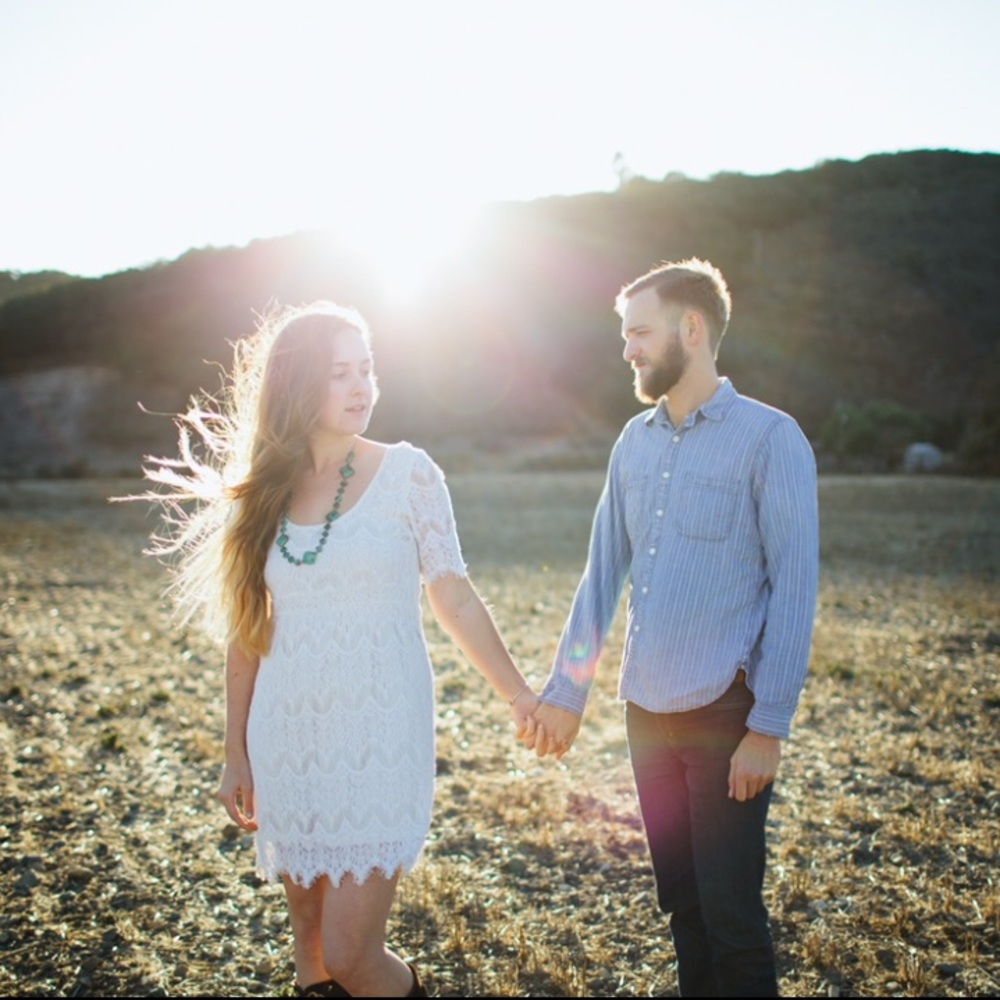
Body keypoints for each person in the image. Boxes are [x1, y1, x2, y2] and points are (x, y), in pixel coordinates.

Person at [139, 301, 539, 998]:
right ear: (298, 386)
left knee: (354, 955)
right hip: (288, 736)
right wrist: (235, 749)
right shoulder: (261, 494)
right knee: (312, 953)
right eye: (339, 374)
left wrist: (520, 694)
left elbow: (456, 599)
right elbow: (247, 633)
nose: (361, 389)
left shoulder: (410, 476)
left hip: (380, 734)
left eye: (367, 370)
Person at [522, 258, 819, 997]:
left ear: (692, 329)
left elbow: (795, 591)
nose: (628, 349)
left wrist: (769, 727)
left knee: (731, 917)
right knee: (682, 908)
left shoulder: (770, 439)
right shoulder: (634, 442)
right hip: (645, 715)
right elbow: (601, 577)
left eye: (641, 332)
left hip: (727, 715)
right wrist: (568, 693)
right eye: (625, 334)